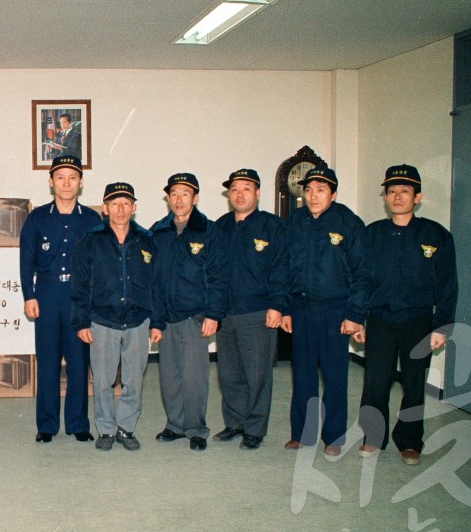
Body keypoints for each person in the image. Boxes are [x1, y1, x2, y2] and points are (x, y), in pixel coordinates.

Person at [355, 164, 457, 465]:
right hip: (381, 318)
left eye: (405, 191)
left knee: (414, 383)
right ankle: (373, 436)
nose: (398, 196)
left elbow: (448, 285)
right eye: (392, 191)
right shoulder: (371, 234)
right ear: (386, 197)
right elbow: (360, 280)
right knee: (375, 381)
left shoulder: (436, 235)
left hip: (418, 321)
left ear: (418, 197)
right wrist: (358, 318)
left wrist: (441, 327)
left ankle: (410, 440)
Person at [281, 167, 369, 455]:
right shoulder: (294, 221)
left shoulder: (349, 223)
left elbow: (361, 272)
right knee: (303, 375)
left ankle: (333, 437)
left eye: (320, 189)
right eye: (308, 190)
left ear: (334, 193)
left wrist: (355, 315)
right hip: (301, 309)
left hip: (335, 311)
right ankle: (302, 433)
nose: (313, 195)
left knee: (334, 377)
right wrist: (284, 309)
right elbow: (283, 268)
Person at [71, 182, 161, 451]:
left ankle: (126, 427)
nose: (120, 209)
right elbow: (80, 284)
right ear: (104, 208)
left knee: (134, 380)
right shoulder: (91, 241)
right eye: (114, 203)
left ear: (133, 208)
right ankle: (106, 429)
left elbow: (156, 284)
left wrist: (157, 321)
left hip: (137, 321)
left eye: (125, 203)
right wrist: (81, 321)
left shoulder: (147, 240)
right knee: (103, 380)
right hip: (102, 320)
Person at [19, 154, 102, 443]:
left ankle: (79, 423)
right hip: (47, 294)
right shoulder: (38, 218)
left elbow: (99, 264)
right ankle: (47, 425)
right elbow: (26, 260)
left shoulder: (92, 220)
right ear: (51, 181)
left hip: (79, 297)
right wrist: (29, 295)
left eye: (72, 177)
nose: (66, 183)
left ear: (81, 183)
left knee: (79, 362)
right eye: (60, 177)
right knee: (48, 361)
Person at [150, 173, 227, 452]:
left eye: (185, 194)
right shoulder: (158, 231)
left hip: (196, 317)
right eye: (174, 194)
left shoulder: (208, 230)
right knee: (169, 375)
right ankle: (175, 425)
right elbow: (153, 280)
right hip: (167, 318)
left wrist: (213, 314)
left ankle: (196, 428)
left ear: (195, 198)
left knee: (194, 376)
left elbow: (218, 276)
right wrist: (156, 320)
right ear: (168, 198)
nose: (179, 199)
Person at [213, 169, 287, 451]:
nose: (239, 194)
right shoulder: (220, 227)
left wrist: (277, 306)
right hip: (226, 314)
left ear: (258, 192)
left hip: (258, 313)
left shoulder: (272, 226)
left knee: (257, 374)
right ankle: (235, 423)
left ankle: (255, 428)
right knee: (229, 374)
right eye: (234, 189)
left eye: (246, 188)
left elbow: (281, 269)